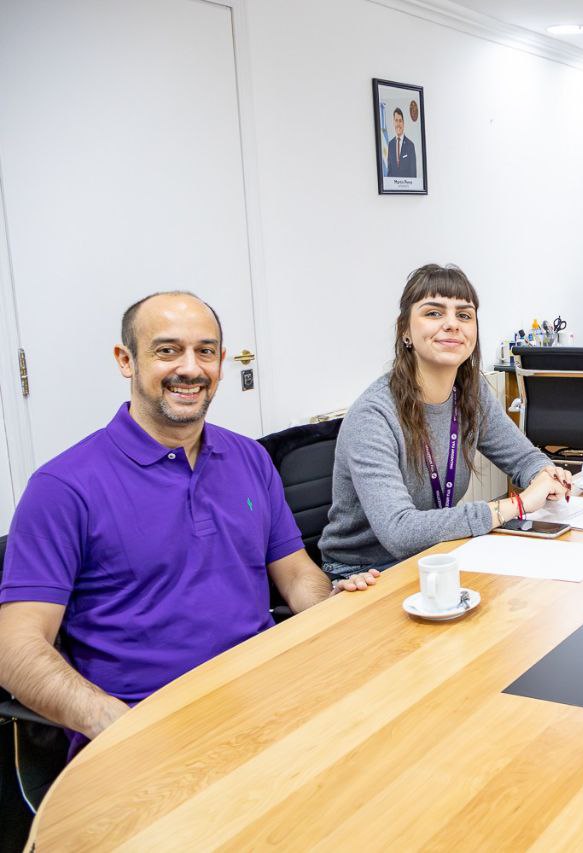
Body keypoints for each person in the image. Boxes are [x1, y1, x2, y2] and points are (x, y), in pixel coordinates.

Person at [0, 292, 378, 756]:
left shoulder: (249, 458)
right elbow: (14, 647)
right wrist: (114, 722)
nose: (191, 368)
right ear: (126, 360)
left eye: (205, 350)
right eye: (166, 350)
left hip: (265, 699)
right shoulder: (63, 487)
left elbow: (297, 574)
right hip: (146, 727)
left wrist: (333, 608)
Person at [319, 263, 574, 578]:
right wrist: (517, 506)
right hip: (366, 572)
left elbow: (523, 458)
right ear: (405, 331)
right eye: (434, 313)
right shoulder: (374, 415)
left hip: (439, 553)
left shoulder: (471, 392)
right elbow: (400, 532)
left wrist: (544, 474)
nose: (452, 324)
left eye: (464, 315)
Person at [385, 107, 417, 178]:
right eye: (396, 120)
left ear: (403, 123)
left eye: (400, 121)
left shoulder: (410, 145)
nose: (398, 124)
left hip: (407, 187)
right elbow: (389, 172)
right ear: (393, 122)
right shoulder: (390, 145)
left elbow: (413, 174)